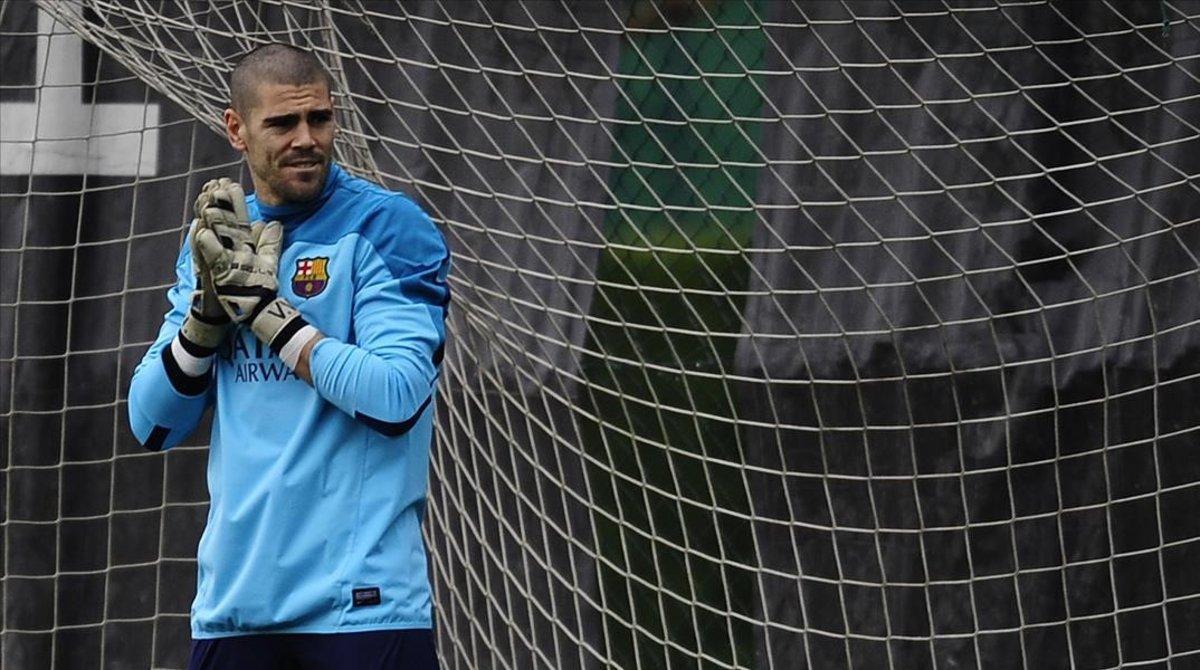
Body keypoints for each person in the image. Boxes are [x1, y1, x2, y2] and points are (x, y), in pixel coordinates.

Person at [127, 43, 449, 669]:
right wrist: (205, 320)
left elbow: (397, 397)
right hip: (235, 608)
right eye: (282, 123)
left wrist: (271, 318)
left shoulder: (389, 229)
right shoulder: (220, 242)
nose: (307, 139)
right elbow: (152, 423)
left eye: (320, 120)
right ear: (236, 128)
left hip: (361, 608)